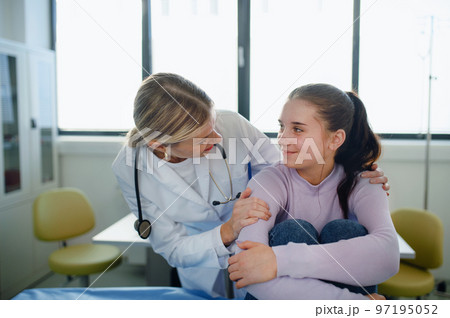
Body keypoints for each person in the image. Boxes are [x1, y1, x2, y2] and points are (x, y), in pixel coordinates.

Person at [112, 73, 390, 298]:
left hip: (260, 229)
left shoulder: (232, 125)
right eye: (204, 136)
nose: (218, 135)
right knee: (289, 236)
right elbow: (172, 247)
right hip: (202, 254)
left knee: (333, 231)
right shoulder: (132, 170)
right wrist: (229, 230)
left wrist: (352, 171)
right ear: (159, 145)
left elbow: (283, 169)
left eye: (213, 123)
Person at [227, 83, 399, 300]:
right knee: (294, 231)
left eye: (297, 129)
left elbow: (388, 255)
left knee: (344, 231)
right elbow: (246, 267)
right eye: (282, 127)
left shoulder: (364, 182)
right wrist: (354, 304)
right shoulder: (267, 182)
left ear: (335, 139)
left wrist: (279, 260)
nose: (282, 139)